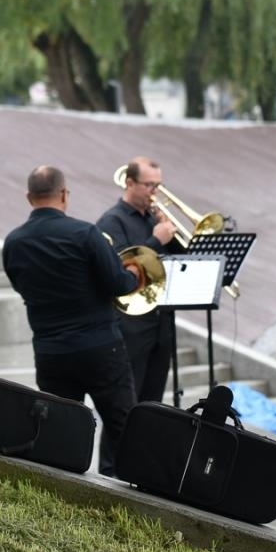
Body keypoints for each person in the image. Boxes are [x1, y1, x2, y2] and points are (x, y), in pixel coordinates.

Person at [5, 165, 145, 476]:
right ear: (65, 194)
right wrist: (134, 273)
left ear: (29, 198)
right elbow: (118, 285)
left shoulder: (13, 242)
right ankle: (132, 501)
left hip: (50, 353)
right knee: (124, 426)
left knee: (58, 430)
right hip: (100, 348)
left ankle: (64, 495)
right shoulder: (85, 233)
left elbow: (21, 286)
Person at [97, 157, 183, 404]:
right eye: (149, 186)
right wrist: (156, 240)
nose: (154, 193)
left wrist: (170, 234)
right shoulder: (112, 221)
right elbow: (121, 270)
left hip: (161, 322)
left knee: (153, 405)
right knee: (126, 405)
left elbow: (180, 261)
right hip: (131, 326)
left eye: (158, 186)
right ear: (130, 182)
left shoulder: (154, 220)